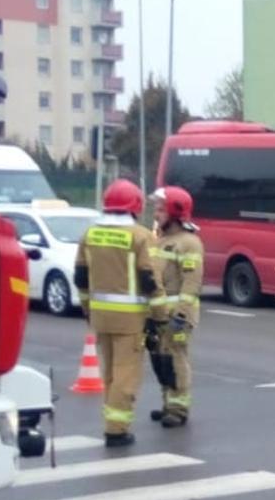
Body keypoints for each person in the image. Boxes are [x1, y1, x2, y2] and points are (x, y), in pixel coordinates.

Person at [73, 180, 159, 447]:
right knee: (126, 375)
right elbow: (150, 280)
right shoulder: (141, 236)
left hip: (100, 316)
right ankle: (116, 429)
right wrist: (160, 316)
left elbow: (81, 278)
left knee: (110, 372)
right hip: (130, 319)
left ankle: (112, 422)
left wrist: (88, 310)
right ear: (135, 206)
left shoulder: (90, 234)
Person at [146, 186, 204, 427]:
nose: (156, 213)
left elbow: (192, 282)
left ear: (175, 211)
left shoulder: (189, 243)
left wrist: (180, 314)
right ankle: (168, 403)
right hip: (158, 314)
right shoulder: (159, 240)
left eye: (161, 209)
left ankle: (179, 409)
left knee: (175, 358)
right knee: (161, 360)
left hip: (178, 315)